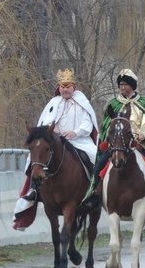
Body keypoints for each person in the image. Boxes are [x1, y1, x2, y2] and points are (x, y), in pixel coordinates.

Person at [81, 69, 145, 211]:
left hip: (138, 143)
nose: (122, 87)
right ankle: (95, 193)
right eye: (121, 84)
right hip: (117, 143)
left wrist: (143, 135)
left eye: (125, 84)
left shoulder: (143, 102)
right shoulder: (113, 104)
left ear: (132, 86)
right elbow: (107, 126)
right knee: (101, 162)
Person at [21, 68, 99, 203]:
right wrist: (52, 131)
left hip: (79, 140)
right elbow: (45, 123)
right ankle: (33, 189)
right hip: (58, 141)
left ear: (73, 87)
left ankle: (95, 190)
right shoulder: (54, 103)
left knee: (95, 157)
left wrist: (76, 132)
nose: (65, 90)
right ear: (59, 88)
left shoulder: (82, 102)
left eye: (68, 87)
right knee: (35, 158)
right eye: (62, 87)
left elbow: (87, 124)